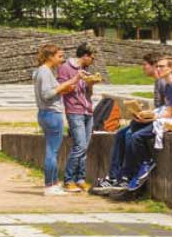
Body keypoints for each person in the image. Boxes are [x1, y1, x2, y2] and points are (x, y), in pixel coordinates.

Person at [94, 53, 162, 192]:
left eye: (145, 65)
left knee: (130, 134)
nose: (143, 68)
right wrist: (141, 113)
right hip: (155, 117)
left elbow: (170, 110)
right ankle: (114, 176)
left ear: (154, 66)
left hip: (161, 120)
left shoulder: (164, 83)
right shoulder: (158, 83)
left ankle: (126, 176)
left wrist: (148, 116)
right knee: (120, 134)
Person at [124, 57, 172, 189]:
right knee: (133, 127)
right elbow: (166, 109)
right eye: (158, 66)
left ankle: (146, 163)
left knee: (136, 137)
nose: (158, 69)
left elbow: (170, 113)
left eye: (162, 66)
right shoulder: (168, 85)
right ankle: (130, 171)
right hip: (170, 116)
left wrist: (150, 118)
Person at [34, 43, 86, 196]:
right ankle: (50, 185)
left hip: (46, 113)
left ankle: (53, 184)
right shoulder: (44, 71)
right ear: (50, 57)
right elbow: (47, 94)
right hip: (51, 114)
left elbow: (53, 91)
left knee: (52, 150)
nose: (62, 59)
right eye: (60, 56)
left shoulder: (44, 71)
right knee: (52, 151)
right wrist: (72, 80)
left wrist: (64, 88)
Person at [56, 42, 101, 193]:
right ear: (85, 55)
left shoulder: (85, 69)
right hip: (74, 111)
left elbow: (87, 94)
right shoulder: (65, 68)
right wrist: (76, 79)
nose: (93, 61)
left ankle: (80, 178)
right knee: (79, 146)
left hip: (88, 110)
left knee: (84, 147)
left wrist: (90, 84)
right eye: (92, 58)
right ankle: (68, 180)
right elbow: (62, 89)